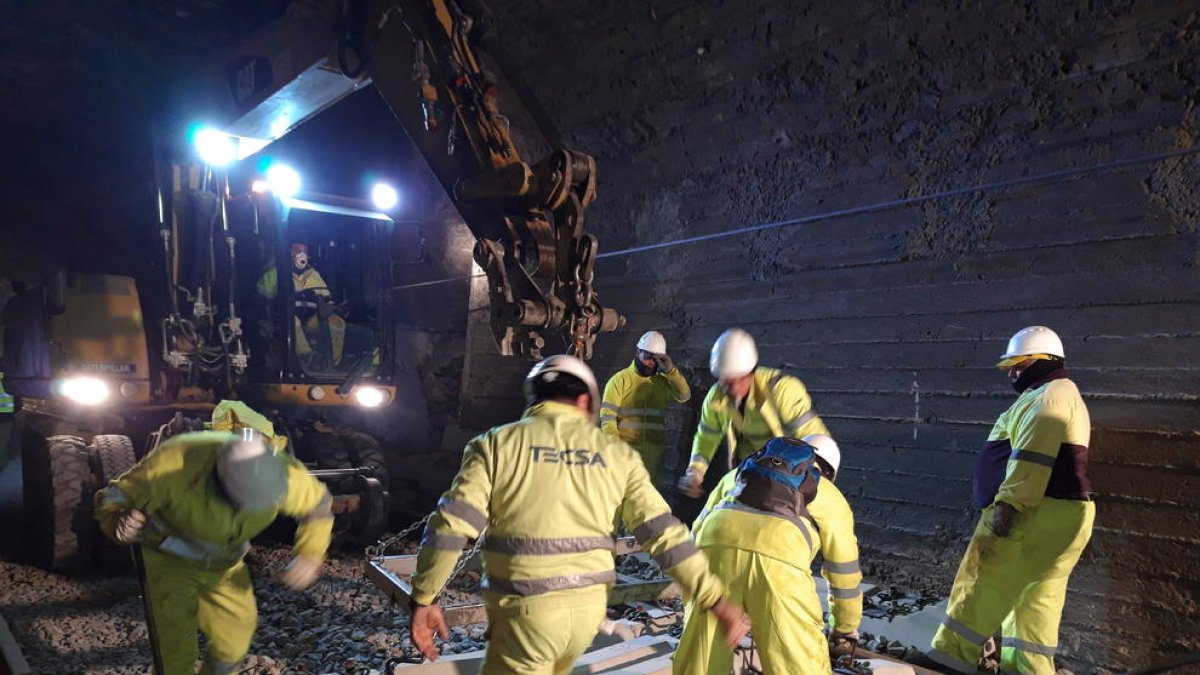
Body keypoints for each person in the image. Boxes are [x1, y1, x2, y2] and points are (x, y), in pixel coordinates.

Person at [407, 354, 750, 674]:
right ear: (586, 401)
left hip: (525, 615)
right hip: (586, 615)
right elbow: (664, 533)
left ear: (534, 398)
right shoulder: (617, 455)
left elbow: (450, 526)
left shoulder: (496, 444)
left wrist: (424, 597)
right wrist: (715, 599)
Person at [920, 326, 1095, 675]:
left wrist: (1009, 503)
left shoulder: (1049, 396)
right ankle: (1028, 668)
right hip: (1062, 514)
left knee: (983, 581)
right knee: (1035, 601)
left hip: (1031, 513)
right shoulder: (1060, 393)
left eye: (1019, 363)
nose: (1012, 372)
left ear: (1045, 361)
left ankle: (948, 661)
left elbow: (1033, 456)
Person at [94, 430, 334, 674]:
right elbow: (113, 497)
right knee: (174, 646)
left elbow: (319, 507)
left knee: (235, 637)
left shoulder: (284, 474)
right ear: (222, 481)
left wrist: (310, 553)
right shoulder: (176, 461)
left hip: (224, 564)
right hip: (167, 560)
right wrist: (117, 523)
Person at [675, 435, 862, 674]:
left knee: (700, 660)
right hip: (779, 566)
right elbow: (843, 572)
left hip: (712, 552)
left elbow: (697, 533)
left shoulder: (738, 474)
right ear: (827, 472)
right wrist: (844, 629)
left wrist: (694, 596)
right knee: (795, 664)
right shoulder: (828, 494)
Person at [677, 327, 829, 499]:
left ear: (752, 372)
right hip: (748, 474)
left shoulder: (781, 390)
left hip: (788, 477)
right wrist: (695, 472)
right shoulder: (716, 397)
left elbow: (813, 437)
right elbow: (706, 437)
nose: (731, 389)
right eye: (725, 382)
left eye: (738, 380)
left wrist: (813, 486)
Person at [600, 330, 690, 484]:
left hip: (653, 458)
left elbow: (684, 396)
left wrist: (671, 371)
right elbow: (607, 420)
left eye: (657, 359)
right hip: (626, 455)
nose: (651, 362)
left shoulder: (660, 383)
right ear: (637, 352)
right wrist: (617, 451)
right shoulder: (619, 381)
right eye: (648, 357)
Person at [257, 241, 346, 366]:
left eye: (305, 251)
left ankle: (333, 364)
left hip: (310, 320)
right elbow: (262, 295)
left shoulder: (314, 275)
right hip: (284, 320)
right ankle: (308, 357)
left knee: (337, 322)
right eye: (298, 250)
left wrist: (331, 307)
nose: (302, 255)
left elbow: (327, 298)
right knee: (293, 321)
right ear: (290, 253)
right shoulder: (277, 273)